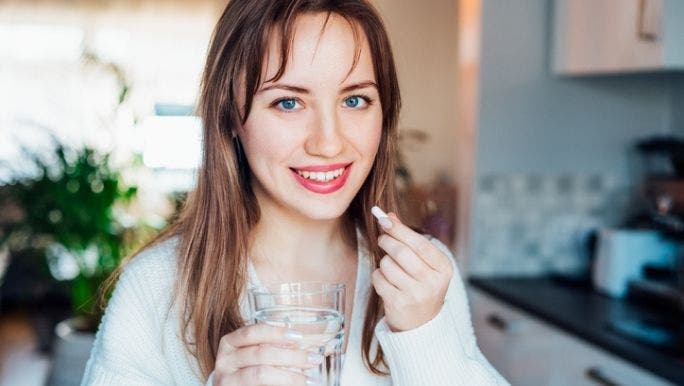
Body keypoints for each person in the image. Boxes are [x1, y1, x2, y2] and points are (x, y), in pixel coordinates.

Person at [81, 0, 509, 385]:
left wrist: (425, 335)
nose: (329, 142)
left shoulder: (423, 277)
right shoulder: (158, 287)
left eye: (355, 100)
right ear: (230, 116)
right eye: (288, 102)